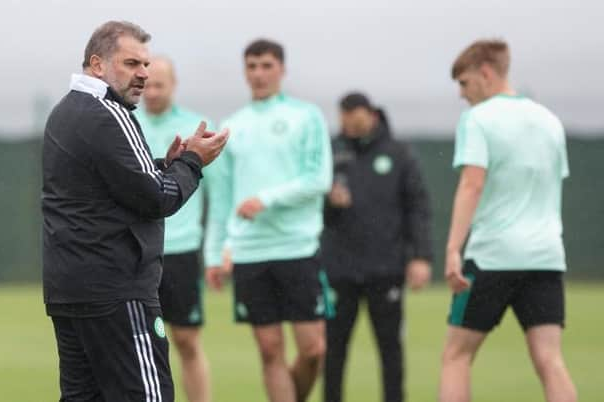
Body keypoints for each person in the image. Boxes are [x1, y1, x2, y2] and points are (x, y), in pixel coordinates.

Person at [41, 21, 229, 401]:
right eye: (131, 63)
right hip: (117, 291)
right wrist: (192, 162)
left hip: (70, 289)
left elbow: (116, 185)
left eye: (145, 64)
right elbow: (158, 198)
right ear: (97, 64)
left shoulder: (65, 112)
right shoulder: (109, 114)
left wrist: (168, 164)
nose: (143, 74)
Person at [439, 39, 577, 402]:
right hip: (546, 257)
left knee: (456, 356)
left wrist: (454, 248)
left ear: (486, 73)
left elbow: (472, 183)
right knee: (550, 360)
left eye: (464, 83)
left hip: (492, 257)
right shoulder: (550, 120)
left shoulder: (477, 119)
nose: (461, 94)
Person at [204, 38, 333, 402]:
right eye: (252, 66)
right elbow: (222, 201)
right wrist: (215, 254)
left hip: (298, 247)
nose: (259, 74)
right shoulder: (231, 126)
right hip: (249, 253)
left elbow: (318, 180)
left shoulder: (306, 116)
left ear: (282, 69)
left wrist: (266, 199)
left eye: (266, 65)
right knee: (270, 351)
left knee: (313, 350)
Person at [321, 93, 434, 402]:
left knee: (390, 348)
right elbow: (314, 211)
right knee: (332, 350)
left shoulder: (399, 154)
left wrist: (421, 257)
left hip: (386, 269)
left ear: (371, 115)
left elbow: (418, 208)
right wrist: (329, 203)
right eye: (343, 117)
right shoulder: (330, 152)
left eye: (354, 117)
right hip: (339, 270)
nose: (348, 124)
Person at [135, 56, 212, 402]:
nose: (151, 92)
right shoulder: (127, 123)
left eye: (159, 85)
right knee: (139, 341)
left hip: (181, 249)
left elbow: (217, 195)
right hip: (137, 250)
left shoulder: (196, 126)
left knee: (186, 340)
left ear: (174, 84)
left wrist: (214, 251)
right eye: (147, 84)